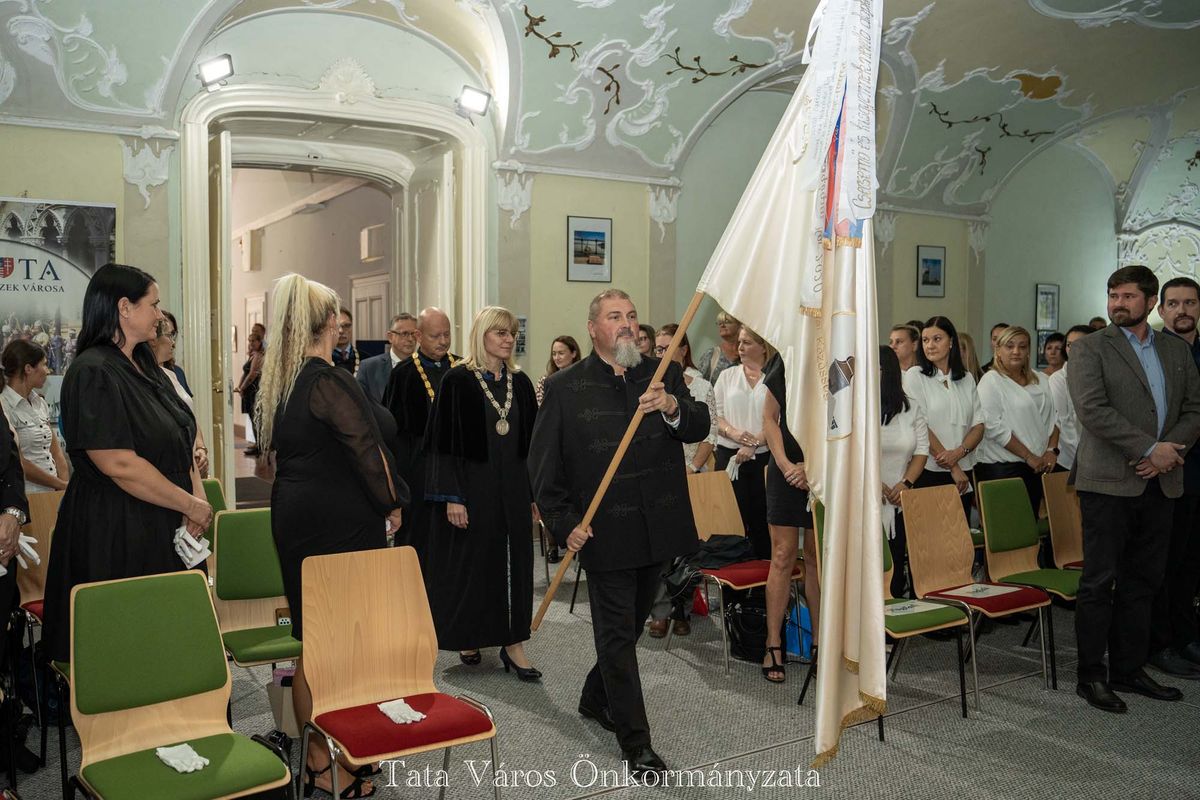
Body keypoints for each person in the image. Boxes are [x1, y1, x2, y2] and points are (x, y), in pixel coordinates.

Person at [529, 289, 709, 778]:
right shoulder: (564, 387)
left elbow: (699, 425)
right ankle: (637, 745)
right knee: (615, 638)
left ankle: (593, 697)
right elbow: (544, 469)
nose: (627, 324)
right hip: (604, 532)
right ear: (593, 328)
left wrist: (672, 405)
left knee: (627, 630)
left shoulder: (663, 372)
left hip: (658, 526)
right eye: (615, 317)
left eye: (631, 316)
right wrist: (565, 526)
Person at [258, 274, 406, 798]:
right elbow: (366, 448)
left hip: (302, 515)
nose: (345, 324)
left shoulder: (287, 377)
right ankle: (325, 760)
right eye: (340, 316)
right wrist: (393, 504)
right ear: (329, 325)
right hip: (336, 519)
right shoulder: (327, 379)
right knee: (333, 647)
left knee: (317, 645)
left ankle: (323, 756)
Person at [42, 263, 213, 663]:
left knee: (177, 648)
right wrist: (189, 504)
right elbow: (117, 463)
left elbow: (180, 435)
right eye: (153, 304)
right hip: (119, 529)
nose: (159, 314)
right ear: (124, 308)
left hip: (163, 520)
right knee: (132, 655)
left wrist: (196, 499)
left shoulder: (145, 363)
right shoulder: (93, 371)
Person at [1069, 265, 1200, 713]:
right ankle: (1091, 676)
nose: (1117, 304)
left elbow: (1193, 408)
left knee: (1143, 583)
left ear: (1149, 302)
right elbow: (1093, 410)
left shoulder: (1174, 350)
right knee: (1098, 583)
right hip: (1107, 483)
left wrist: (1167, 451)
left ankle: (1128, 667)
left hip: (1161, 483)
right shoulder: (1090, 349)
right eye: (1112, 295)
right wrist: (1148, 448)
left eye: (1127, 296)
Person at [422, 306, 540, 677]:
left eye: (511, 334)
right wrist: (452, 496)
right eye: (500, 333)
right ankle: (470, 634)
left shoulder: (520, 383)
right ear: (482, 336)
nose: (508, 339)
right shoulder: (457, 381)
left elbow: (532, 445)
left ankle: (513, 642)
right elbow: (442, 444)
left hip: (514, 490)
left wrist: (536, 494)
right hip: (473, 490)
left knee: (517, 564)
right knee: (475, 565)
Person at [646, 323, 718, 638]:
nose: (660, 353)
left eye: (666, 348)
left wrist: (692, 467)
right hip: (661, 477)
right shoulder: (650, 384)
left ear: (683, 350)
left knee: (688, 548)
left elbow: (710, 432)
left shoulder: (702, 388)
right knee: (661, 549)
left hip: (692, 473)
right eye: (657, 349)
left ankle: (683, 610)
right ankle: (660, 612)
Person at [1148, 277, 1200, 677]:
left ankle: (1186, 636)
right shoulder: (1153, 352)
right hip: (1165, 467)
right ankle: (1160, 643)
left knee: (1191, 561)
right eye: (1174, 303)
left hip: (1199, 474)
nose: (1182, 310)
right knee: (1162, 563)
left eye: (1190, 303)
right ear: (1160, 309)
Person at [759, 352, 815, 683]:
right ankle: (773, 643)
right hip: (785, 469)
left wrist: (815, 468)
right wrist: (786, 465)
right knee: (782, 556)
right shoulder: (788, 356)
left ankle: (820, 643)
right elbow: (769, 418)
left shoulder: (841, 352)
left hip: (822, 470)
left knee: (816, 559)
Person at [382, 307, 457, 549]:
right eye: (436, 336)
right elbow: (393, 434)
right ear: (418, 336)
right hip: (418, 475)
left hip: (458, 472)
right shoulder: (403, 375)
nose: (443, 341)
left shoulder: (463, 368)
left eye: (447, 335)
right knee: (421, 541)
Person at [902, 316, 985, 519]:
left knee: (959, 541)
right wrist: (953, 466)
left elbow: (979, 425)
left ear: (951, 342)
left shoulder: (966, 379)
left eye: (937, 339)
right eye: (925, 340)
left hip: (964, 470)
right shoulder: (915, 375)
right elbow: (920, 425)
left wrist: (959, 453)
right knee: (931, 541)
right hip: (929, 470)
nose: (930, 345)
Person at [975, 326, 1060, 517]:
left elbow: (1055, 418)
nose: (1016, 351)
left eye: (1022, 346)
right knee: (1009, 535)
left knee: (1030, 530)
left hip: (1037, 467)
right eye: (1010, 346)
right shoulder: (991, 380)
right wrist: (1028, 456)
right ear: (998, 350)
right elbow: (994, 427)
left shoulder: (1042, 379)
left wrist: (1051, 450)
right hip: (1003, 468)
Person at [713, 326, 774, 559]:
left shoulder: (774, 377)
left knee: (763, 524)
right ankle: (731, 589)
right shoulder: (727, 376)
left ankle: (761, 589)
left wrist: (754, 443)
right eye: (739, 342)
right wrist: (734, 433)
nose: (740, 347)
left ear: (763, 346)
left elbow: (778, 419)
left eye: (747, 342)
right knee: (730, 523)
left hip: (764, 460)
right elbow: (715, 414)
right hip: (729, 458)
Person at [880, 346, 928, 600]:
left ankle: (893, 628)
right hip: (865, 497)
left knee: (896, 563)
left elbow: (922, 450)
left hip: (900, 498)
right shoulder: (856, 407)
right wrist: (872, 484)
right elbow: (849, 453)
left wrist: (906, 483)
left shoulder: (912, 407)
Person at [1, 341, 69, 492]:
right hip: (25, 495)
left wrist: (64, 488)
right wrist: (61, 485)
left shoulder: (40, 403)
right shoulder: (4, 405)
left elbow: (56, 451)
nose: (48, 370)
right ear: (28, 369)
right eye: (44, 364)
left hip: (52, 494)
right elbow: (18, 461)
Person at [151, 315, 209, 477]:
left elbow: (189, 416)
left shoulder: (175, 374)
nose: (173, 342)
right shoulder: (143, 378)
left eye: (174, 334)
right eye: (169, 335)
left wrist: (200, 447)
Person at [1047, 325, 1093, 472]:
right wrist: (1084, 459)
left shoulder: (1098, 374)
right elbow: (1063, 422)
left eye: (1078, 344)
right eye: (1069, 345)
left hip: (1096, 455)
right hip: (1068, 459)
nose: (1072, 349)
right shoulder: (1058, 379)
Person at [356, 312, 418, 403]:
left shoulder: (424, 366)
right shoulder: (369, 368)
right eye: (404, 334)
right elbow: (359, 404)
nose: (410, 339)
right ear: (390, 337)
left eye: (414, 334)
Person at [233, 326, 265, 458]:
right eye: (249, 341)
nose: (251, 344)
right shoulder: (252, 356)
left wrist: (243, 387)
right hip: (248, 391)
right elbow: (245, 373)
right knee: (252, 418)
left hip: (254, 391)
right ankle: (258, 443)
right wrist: (240, 386)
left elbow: (252, 375)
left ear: (259, 342)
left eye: (254, 341)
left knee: (256, 418)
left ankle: (260, 445)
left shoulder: (259, 356)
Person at [535, 335, 581, 406]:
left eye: (561, 353)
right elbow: (542, 409)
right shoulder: (544, 381)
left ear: (573, 354)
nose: (557, 358)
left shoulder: (583, 380)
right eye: (554, 354)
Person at [697, 310, 740, 383]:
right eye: (719, 323)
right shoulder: (711, 354)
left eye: (727, 322)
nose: (722, 325)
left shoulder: (747, 353)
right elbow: (699, 384)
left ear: (739, 325)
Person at [331, 307, 360, 375]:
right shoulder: (322, 360)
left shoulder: (365, 359)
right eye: (337, 326)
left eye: (346, 325)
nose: (341, 331)